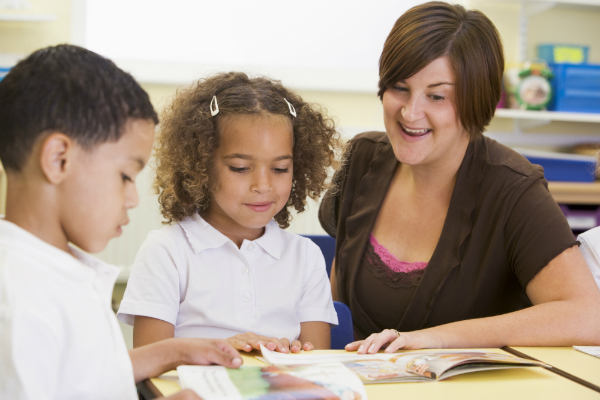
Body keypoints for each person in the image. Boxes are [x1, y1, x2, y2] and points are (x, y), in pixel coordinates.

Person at [318, 1, 600, 354]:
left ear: (476, 100)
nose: (410, 112)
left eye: (437, 96)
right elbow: (334, 297)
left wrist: (432, 340)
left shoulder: (513, 189)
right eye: (399, 87)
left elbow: (589, 317)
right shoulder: (361, 157)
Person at [0, 45, 243, 400]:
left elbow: (83, 378)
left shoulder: (47, 267)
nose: (133, 198)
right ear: (58, 159)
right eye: (126, 176)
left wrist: (176, 351)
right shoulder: (18, 304)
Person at [117, 72, 340, 354]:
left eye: (280, 168)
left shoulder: (305, 257)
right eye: (240, 168)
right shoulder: (167, 251)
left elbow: (317, 363)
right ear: (200, 165)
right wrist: (218, 349)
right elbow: (151, 368)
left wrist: (291, 354)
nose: (263, 186)